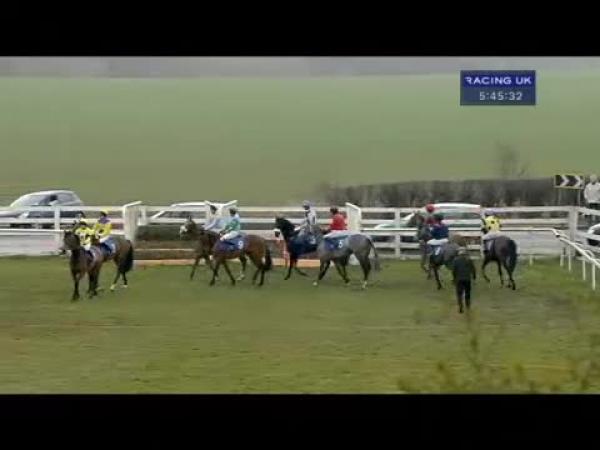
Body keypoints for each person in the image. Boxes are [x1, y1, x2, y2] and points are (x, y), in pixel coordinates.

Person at [452, 247, 477, 314]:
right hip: (467, 279)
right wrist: (474, 277)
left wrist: (454, 278)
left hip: (459, 279)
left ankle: (460, 306)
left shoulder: (455, 260)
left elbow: (454, 270)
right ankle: (467, 305)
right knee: (467, 292)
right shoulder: (469, 260)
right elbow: (473, 269)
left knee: (459, 293)